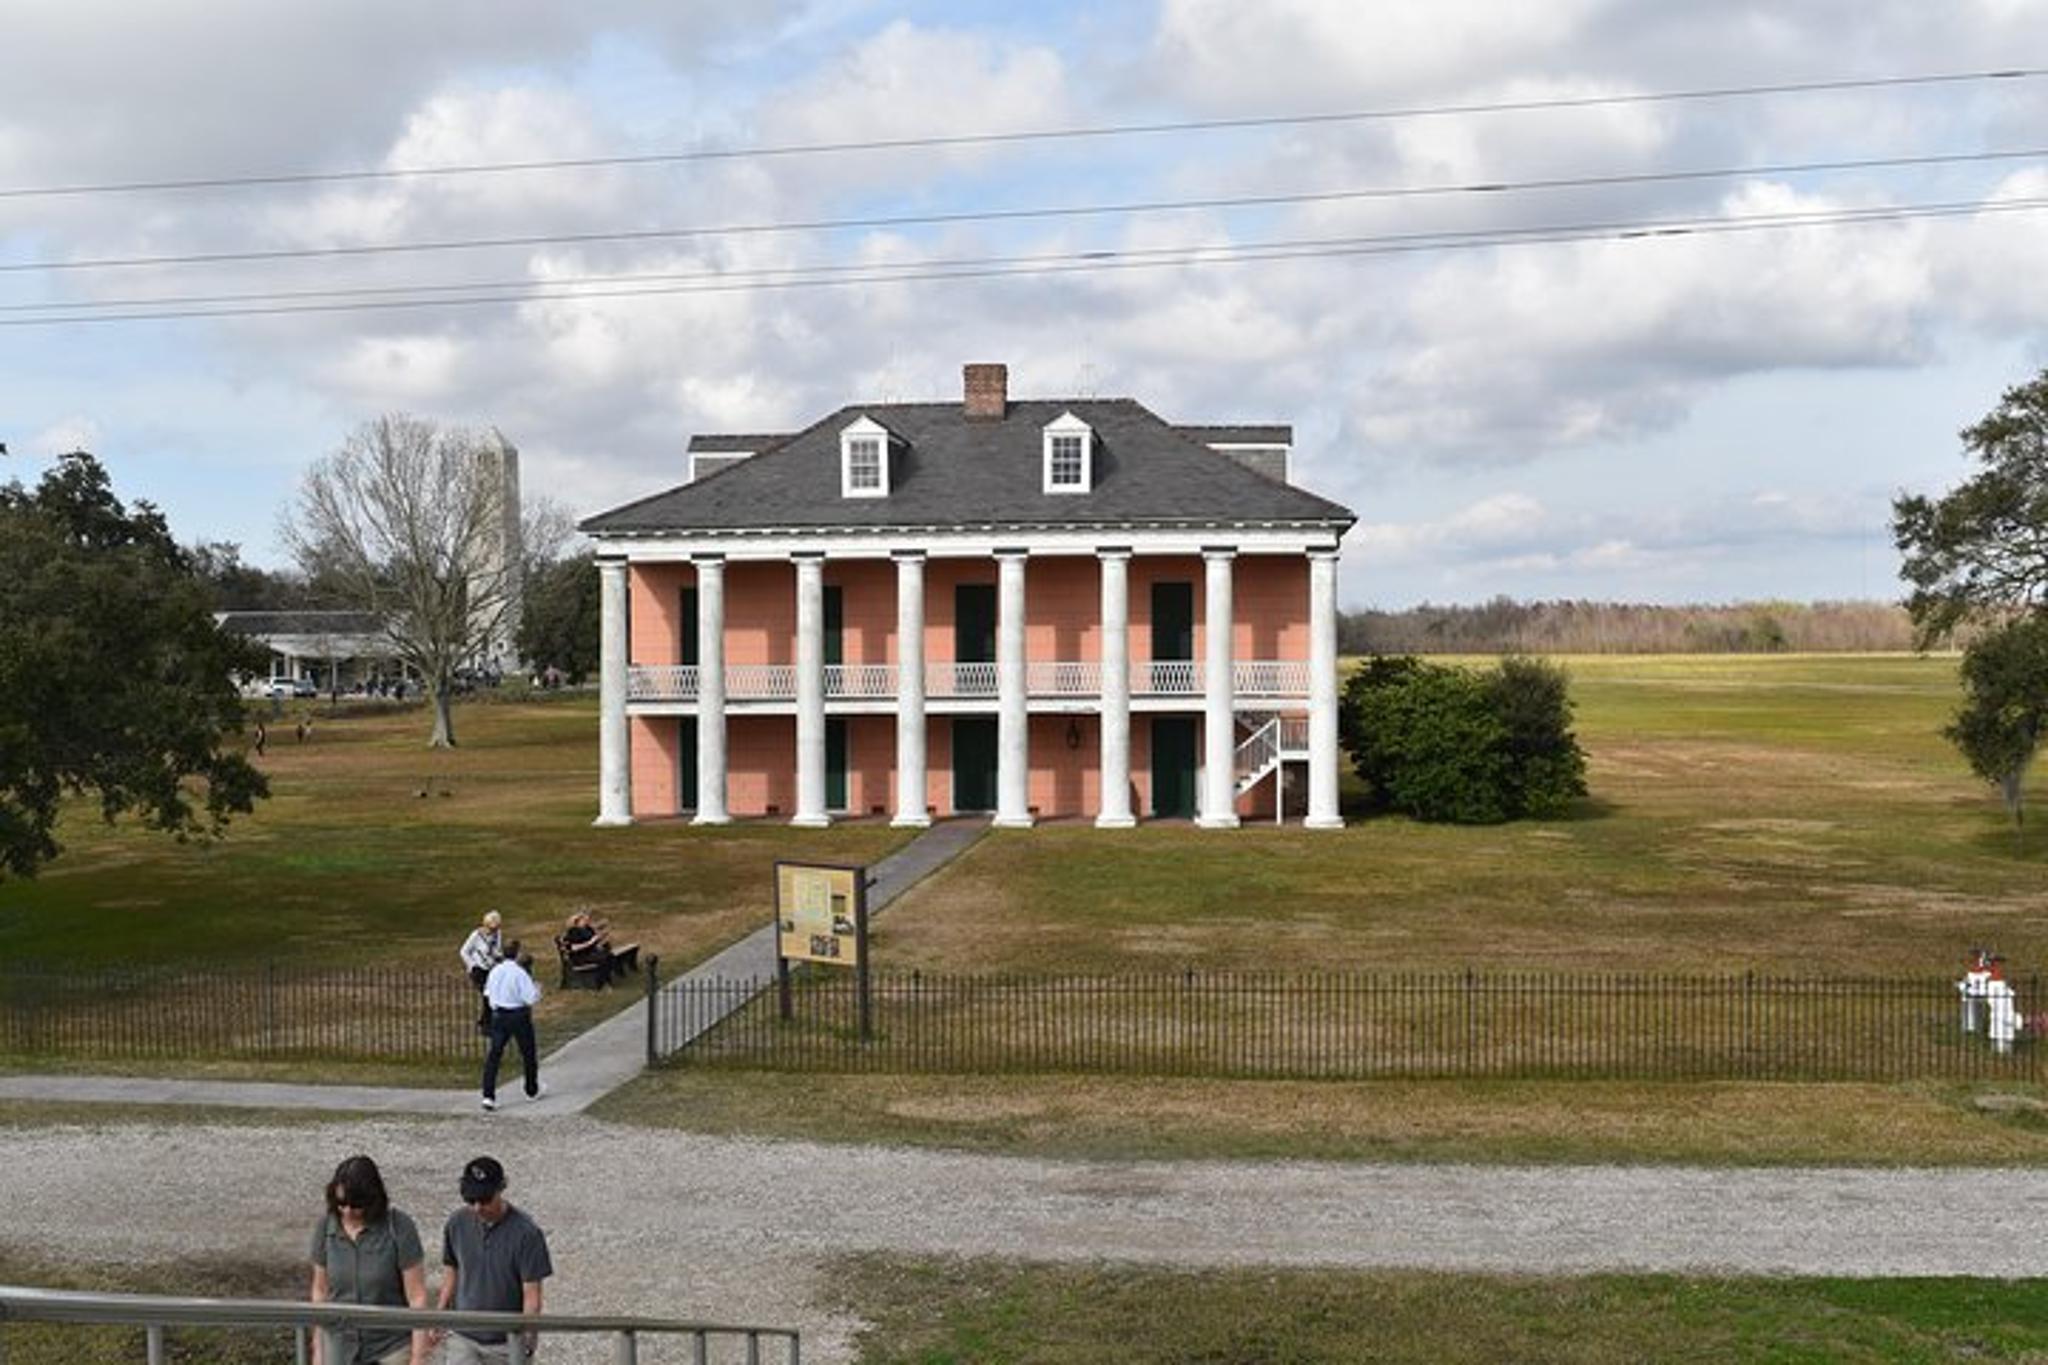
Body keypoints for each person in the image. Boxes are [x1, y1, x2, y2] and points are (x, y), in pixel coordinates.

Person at [307, 1154, 429, 1365]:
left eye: (356, 1205)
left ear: (372, 1200)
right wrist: (318, 1349)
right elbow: (320, 1291)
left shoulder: (399, 1227)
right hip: (338, 1345)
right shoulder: (325, 1228)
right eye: (341, 1204)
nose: (347, 1211)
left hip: (390, 1347)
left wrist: (418, 1357)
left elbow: (417, 1296)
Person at [434, 1156, 552, 1364]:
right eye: (471, 1201)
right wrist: (440, 1313)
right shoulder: (456, 1223)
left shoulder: (527, 1234)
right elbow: (452, 1269)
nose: (477, 1207)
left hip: (506, 1342)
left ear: (500, 1190)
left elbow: (532, 1294)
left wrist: (528, 1338)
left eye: (485, 1200)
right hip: (463, 1336)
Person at [480, 943, 543, 1111]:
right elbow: (529, 998)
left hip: (499, 1015)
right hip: (518, 1015)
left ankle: (488, 1095)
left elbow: (487, 993)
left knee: (494, 1054)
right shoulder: (519, 973)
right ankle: (531, 1088)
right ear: (517, 954)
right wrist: (537, 990)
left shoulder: (495, 971)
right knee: (528, 1052)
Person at [459, 911, 504, 1034]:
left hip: (492, 968)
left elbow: (498, 949)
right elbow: (464, 951)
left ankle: (485, 1019)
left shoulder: (498, 934)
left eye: (496, 928)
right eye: (492, 928)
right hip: (479, 970)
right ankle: (486, 1025)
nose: (494, 931)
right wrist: (472, 965)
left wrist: (498, 956)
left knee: (491, 995)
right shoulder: (476, 935)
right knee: (487, 996)